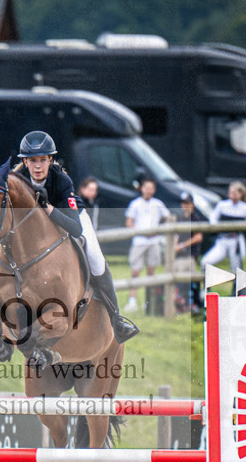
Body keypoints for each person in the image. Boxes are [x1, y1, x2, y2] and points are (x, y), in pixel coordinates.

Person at [12, 130, 138, 343]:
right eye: (32, 160)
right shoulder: (18, 179)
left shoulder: (61, 180)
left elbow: (75, 229)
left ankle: (116, 319)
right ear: (25, 161)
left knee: (96, 259)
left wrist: (48, 208)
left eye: (43, 160)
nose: (38, 166)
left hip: (72, 218)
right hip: (34, 229)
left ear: (50, 159)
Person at [123, 177, 169, 312]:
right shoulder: (135, 204)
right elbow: (129, 223)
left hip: (154, 241)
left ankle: (149, 302)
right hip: (139, 241)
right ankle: (132, 300)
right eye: (146, 187)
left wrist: (159, 232)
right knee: (136, 271)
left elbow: (168, 218)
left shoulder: (158, 204)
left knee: (151, 271)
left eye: (151, 188)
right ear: (142, 189)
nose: (149, 191)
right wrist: (141, 232)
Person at [201, 181, 246, 289]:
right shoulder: (222, 205)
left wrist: (238, 229)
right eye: (231, 192)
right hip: (223, 240)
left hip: (236, 241)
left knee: (237, 268)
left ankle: (237, 291)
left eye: (235, 193)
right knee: (206, 262)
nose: (232, 195)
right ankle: (207, 289)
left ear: (241, 194)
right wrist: (222, 227)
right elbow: (213, 219)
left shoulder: (245, 208)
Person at [174, 191, 205, 313]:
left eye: (187, 203)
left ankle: (190, 302)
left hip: (190, 253)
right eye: (183, 203)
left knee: (186, 276)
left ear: (192, 204)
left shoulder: (195, 218)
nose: (185, 206)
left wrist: (182, 245)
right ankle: (181, 302)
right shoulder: (181, 218)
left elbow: (198, 237)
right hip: (181, 254)